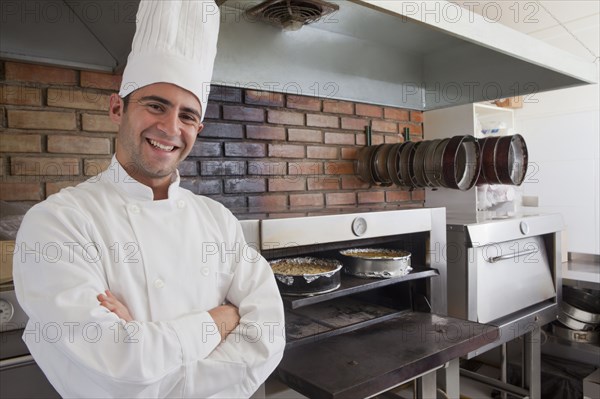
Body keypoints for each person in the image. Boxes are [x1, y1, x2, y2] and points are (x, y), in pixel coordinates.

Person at [12, 1, 286, 398]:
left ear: (199, 127)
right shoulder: (59, 222)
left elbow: (268, 336)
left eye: (187, 115)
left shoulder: (217, 220)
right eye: (156, 105)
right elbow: (119, 365)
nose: (170, 127)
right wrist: (222, 319)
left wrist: (148, 352)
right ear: (117, 108)